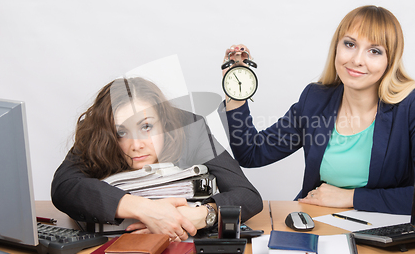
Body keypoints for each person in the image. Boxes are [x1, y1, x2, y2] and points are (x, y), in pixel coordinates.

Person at [223, 5, 415, 215]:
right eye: (350, 44)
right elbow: (252, 153)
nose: (357, 60)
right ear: (336, 47)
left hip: (385, 231)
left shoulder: (414, 104)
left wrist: (351, 198)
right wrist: (236, 89)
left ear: (389, 60)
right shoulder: (316, 100)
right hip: (318, 222)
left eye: (374, 51)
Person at [52, 77, 262, 241]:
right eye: (121, 132)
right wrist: (147, 210)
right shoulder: (97, 133)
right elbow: (64, 187)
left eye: (146, 127)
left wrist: (197, 216)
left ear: (164, 122)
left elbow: (247, 195)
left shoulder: (190, 128)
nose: (136, 145)